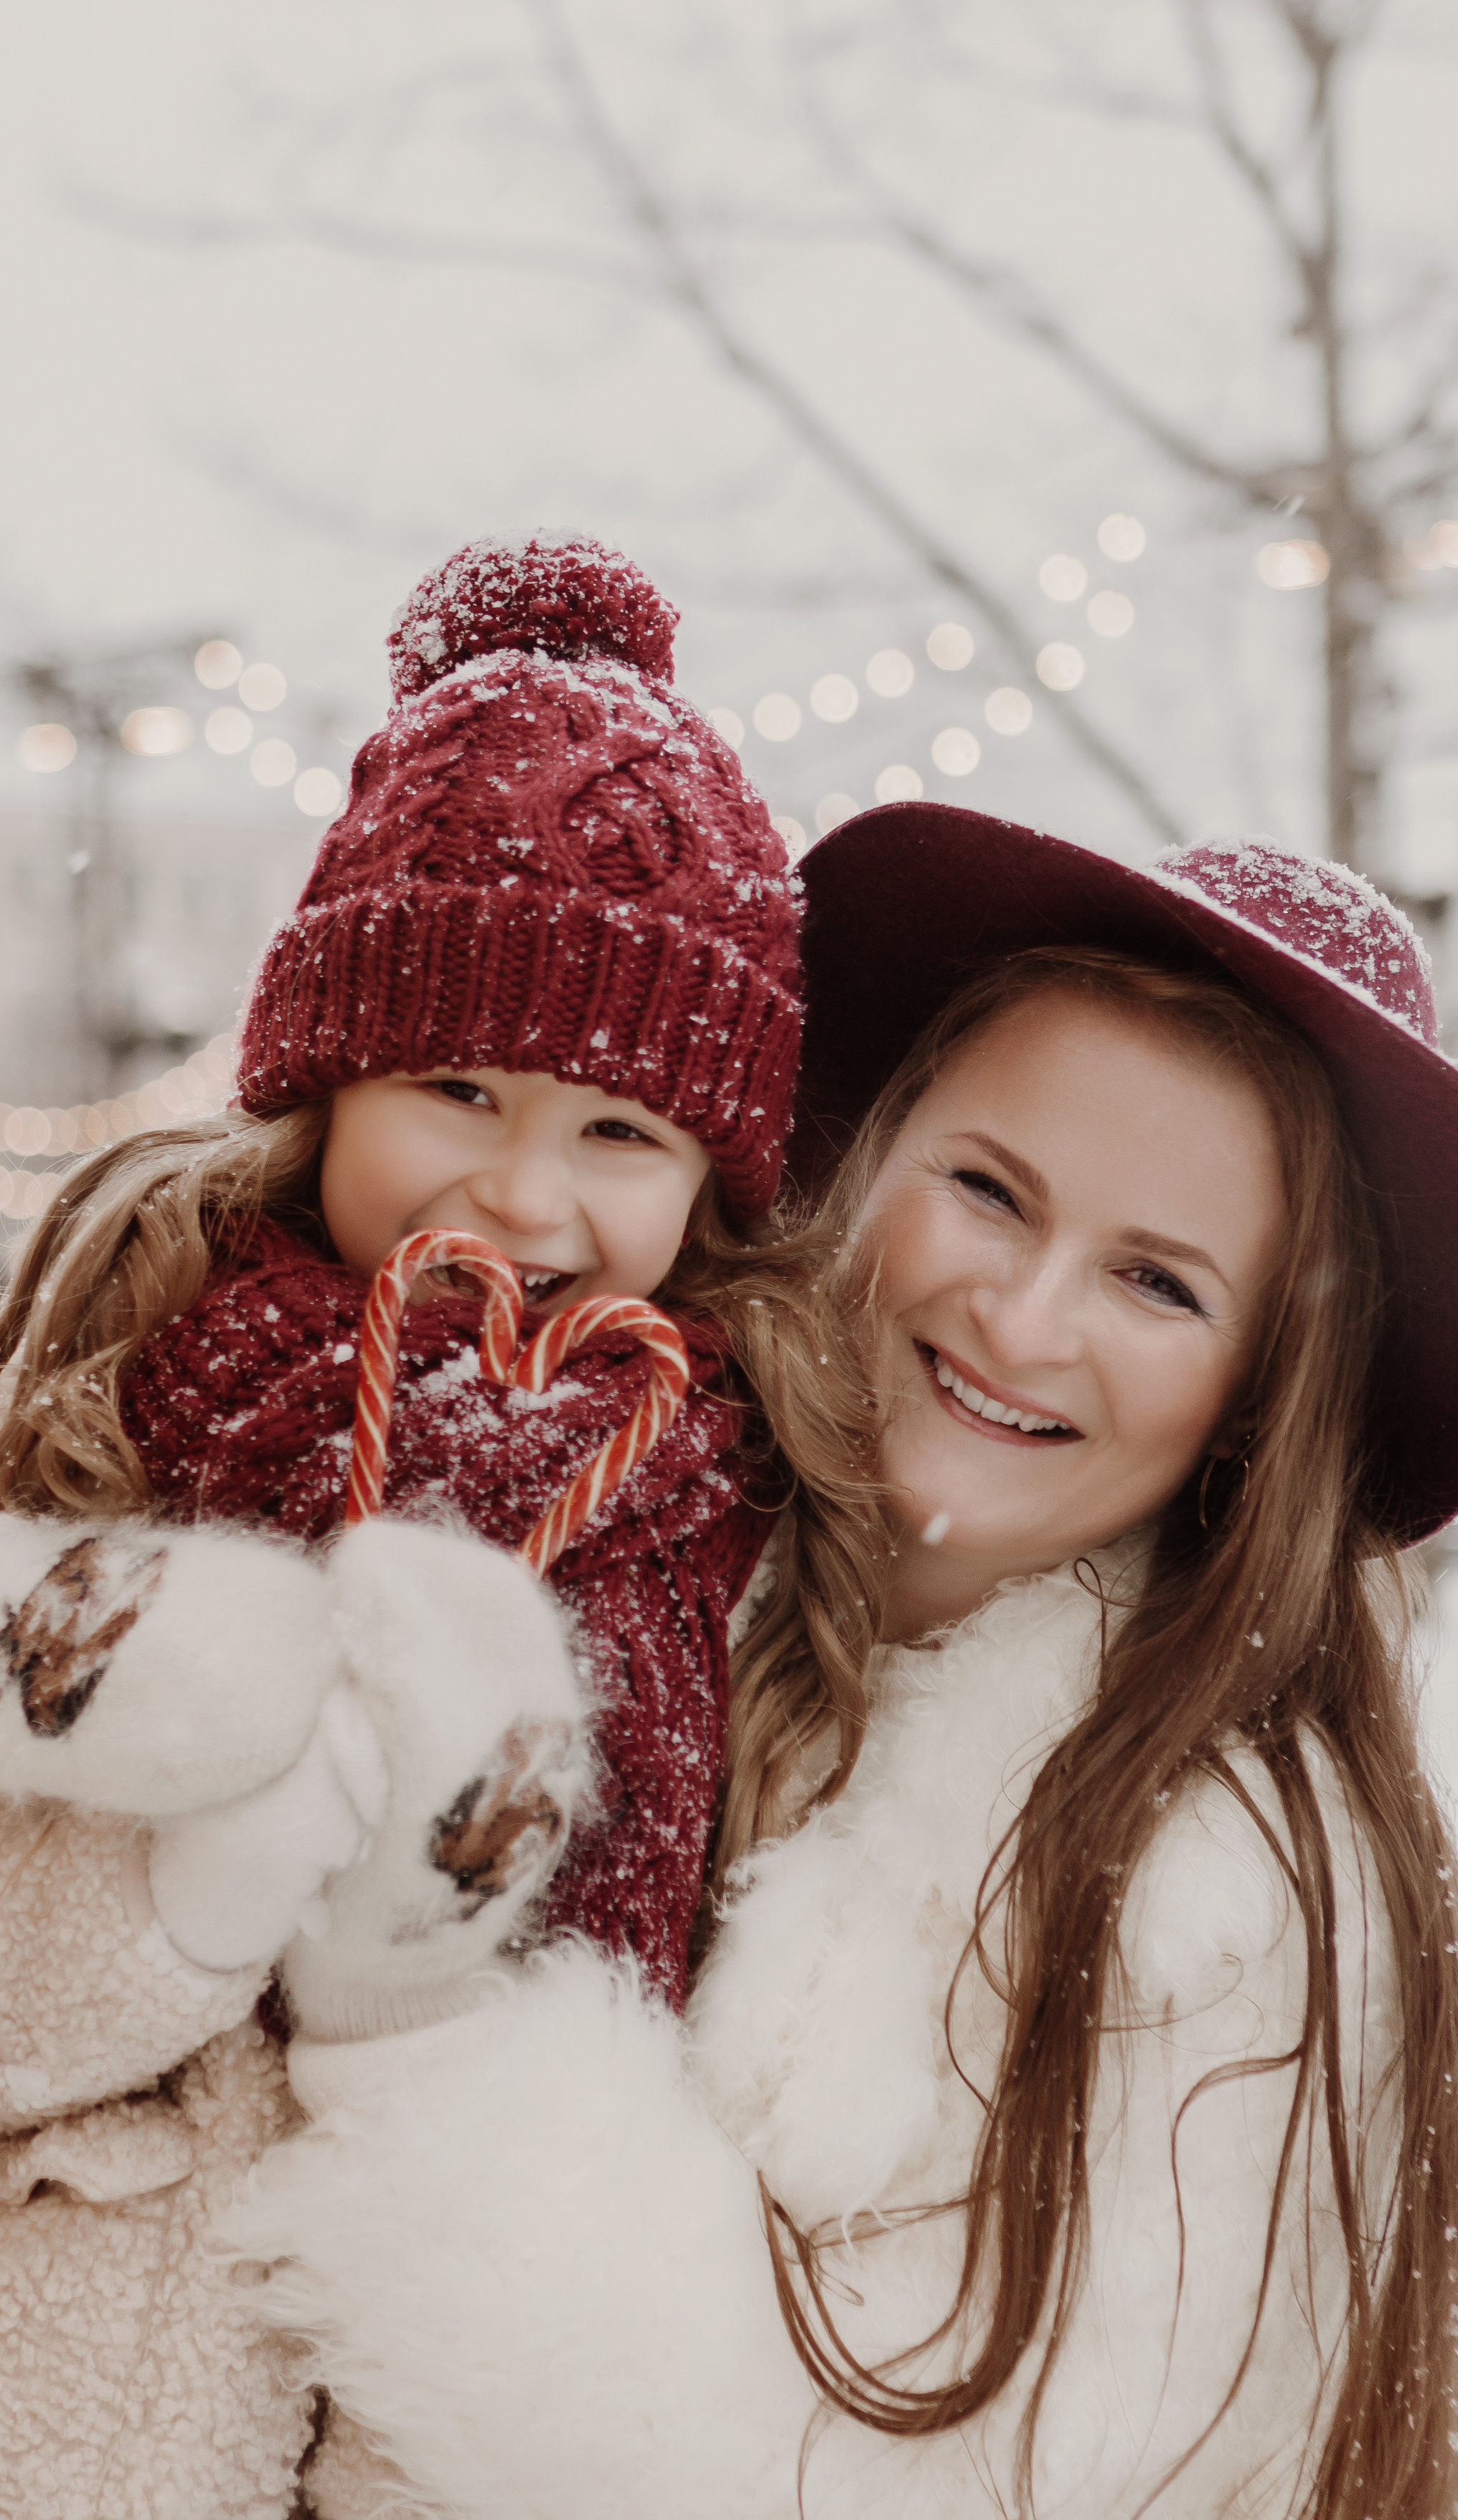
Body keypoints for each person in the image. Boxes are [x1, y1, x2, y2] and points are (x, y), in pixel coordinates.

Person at [0, 533, 865, 2520]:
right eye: (458, 1088)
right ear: (326, 1083)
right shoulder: (130, 1405)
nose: (528, 1203)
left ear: (711, 1185)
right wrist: (187, 1847)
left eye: (620, 1129)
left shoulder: (738, 1531)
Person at [223, 804, 1458, 2520]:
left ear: (1262, 1389)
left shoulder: (1242, 1891)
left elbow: (834, 2487)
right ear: (857, 1159)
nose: (1019, 1321)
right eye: (982, 1190)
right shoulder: (587, 1535)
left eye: (1156, 1285)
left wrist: (413, 2027)